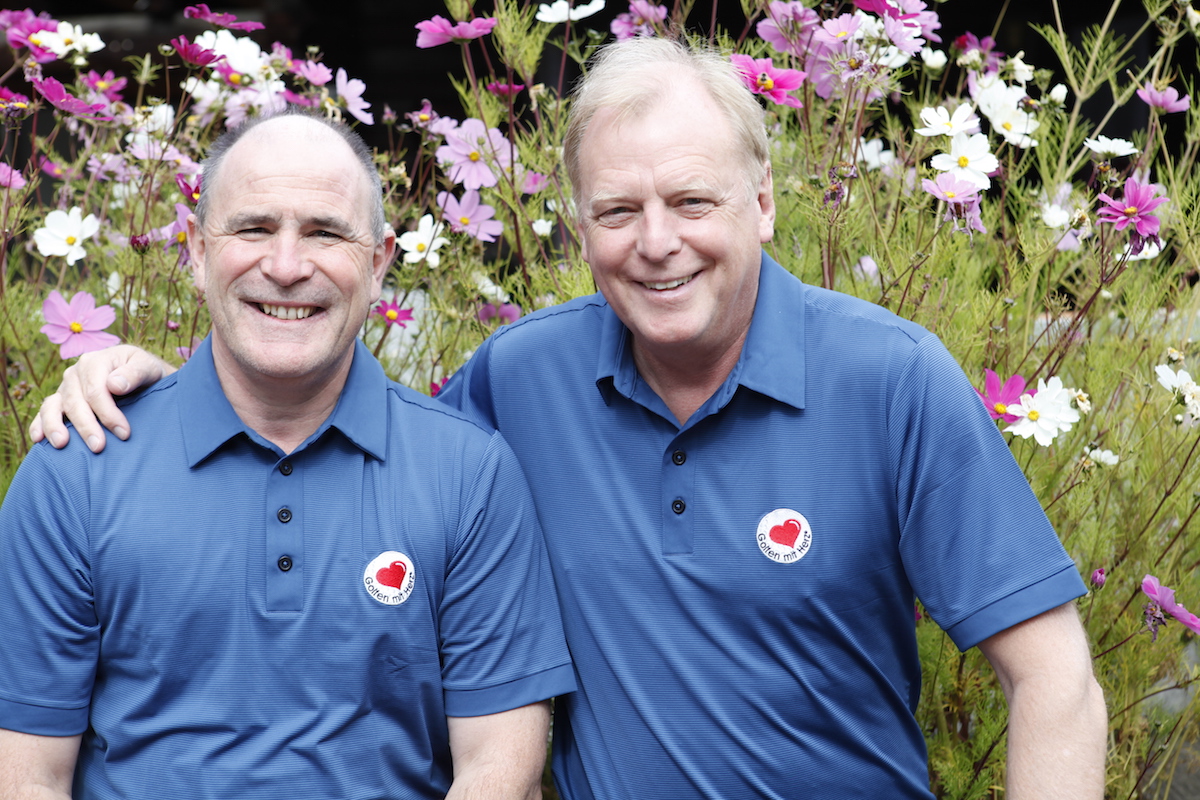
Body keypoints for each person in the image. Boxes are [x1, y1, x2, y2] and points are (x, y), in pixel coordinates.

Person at [29, 38, 1106, 799]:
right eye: (617, 210)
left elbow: (1054, 678)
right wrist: (159, 385)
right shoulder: (521, 378)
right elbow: (328, 430)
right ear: (581, 227)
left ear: (764, 202)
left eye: (692, 201)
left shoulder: (890, 379)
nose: (657, 243)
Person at [1, 110, 575, 800]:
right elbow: (25, 775)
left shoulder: (468, 474)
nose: (285, 266)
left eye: (325, 233)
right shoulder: (77, 468)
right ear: (196, 250)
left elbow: (500, 770)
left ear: (380, 262)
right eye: (253, 228)